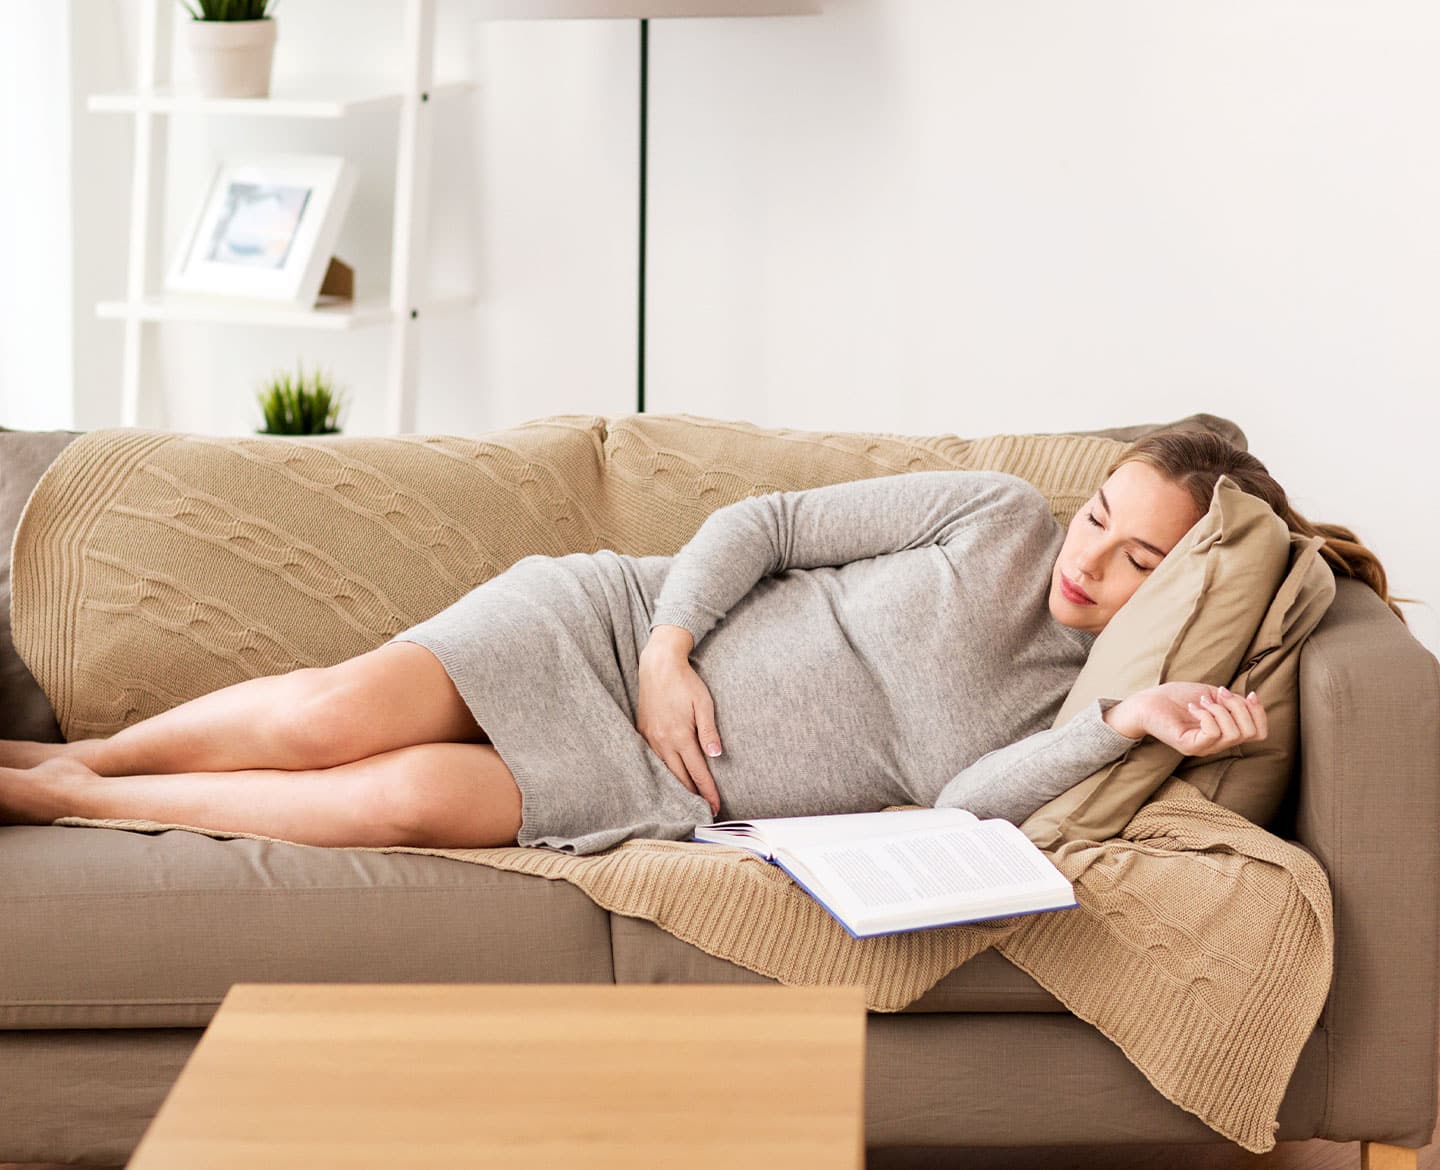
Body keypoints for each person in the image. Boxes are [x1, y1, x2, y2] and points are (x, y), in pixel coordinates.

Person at [0, 428, 1402, 852]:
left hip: (662, 788)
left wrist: (1124, 727)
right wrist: (669, 648)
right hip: (611, 631)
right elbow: (769, 522)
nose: (1090, 557)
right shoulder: (991, 517)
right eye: (1099, 515)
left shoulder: (1088, 695)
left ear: (1174, 588)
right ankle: (78, 764)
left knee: (408, 801)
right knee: (319, 723)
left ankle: (75, 797)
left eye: (1136, 556)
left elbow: (970, 807)